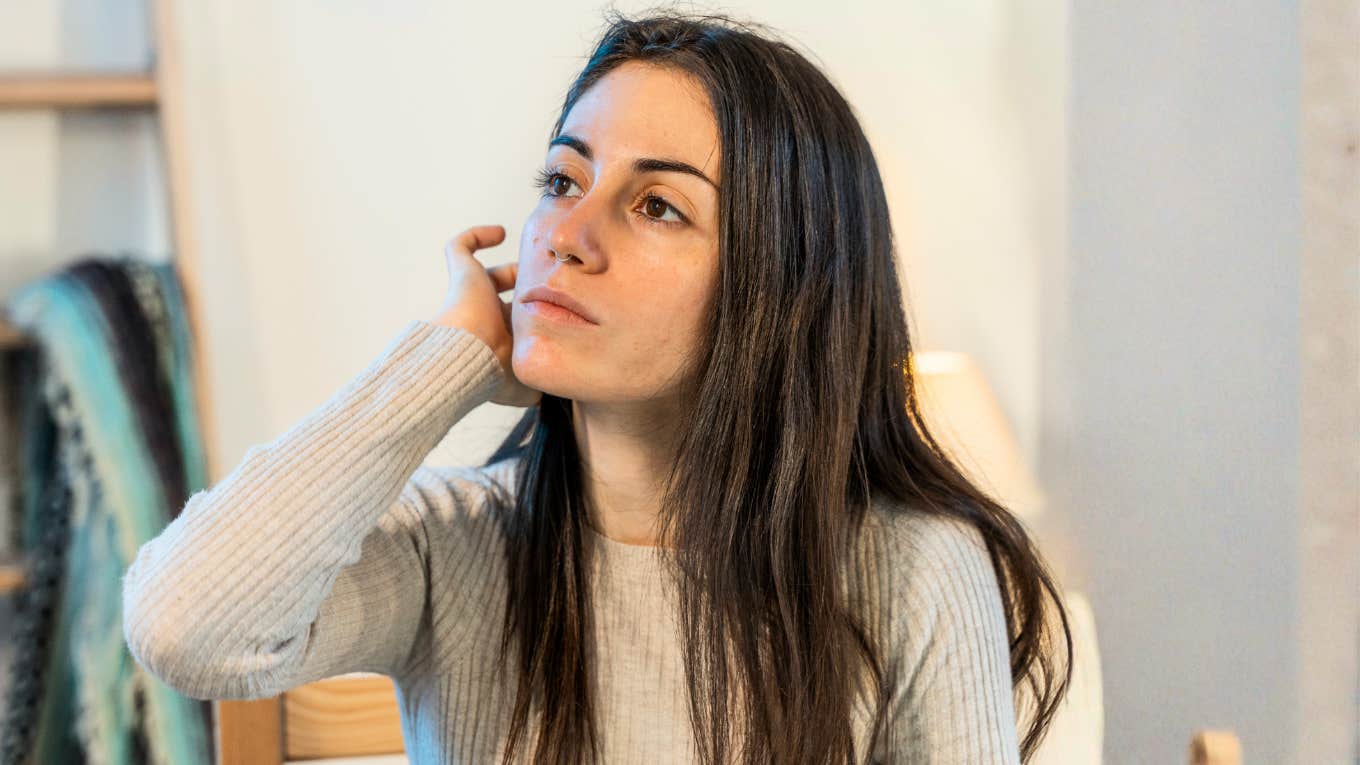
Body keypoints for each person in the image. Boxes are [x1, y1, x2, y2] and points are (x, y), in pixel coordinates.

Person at [122, 10, 1072, 765]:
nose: (568, 233)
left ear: (780, 285)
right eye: (563, 179)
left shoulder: (909, 570)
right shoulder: (454, 547)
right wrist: (445, 361)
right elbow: (183, 625)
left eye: (657, 205)